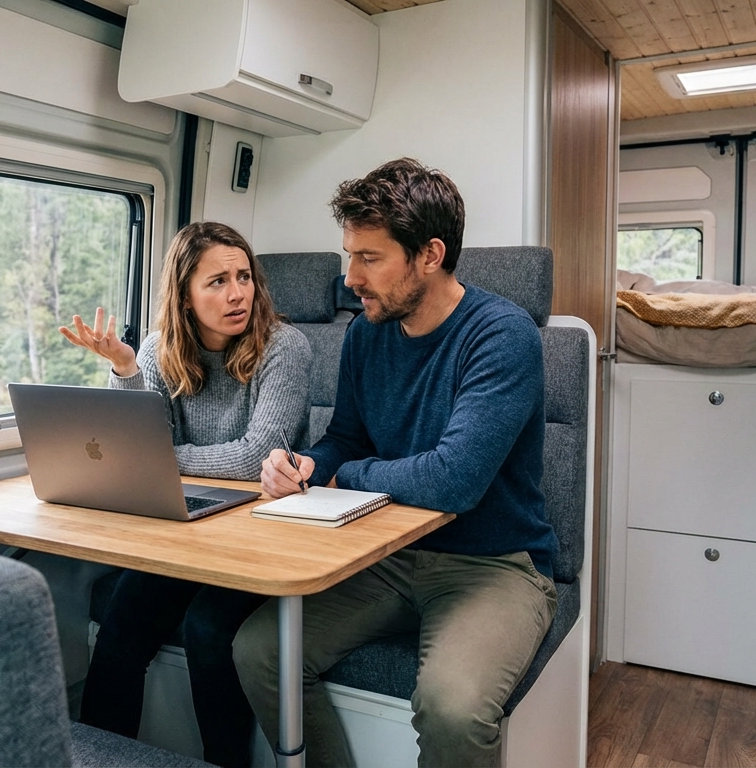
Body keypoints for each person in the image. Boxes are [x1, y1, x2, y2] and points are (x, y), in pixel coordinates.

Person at [232, 159, 559, 768]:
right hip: (385, 554)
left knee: (453, 709)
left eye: (370, 258)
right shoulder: (365, 334)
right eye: (349, 255)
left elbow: (451, 482)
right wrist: (308, 463)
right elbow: (347, 440)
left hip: (493, 565)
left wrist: (343, 474)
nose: (351, 278)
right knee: (258, 651)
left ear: (430, 255)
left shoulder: (503, 336)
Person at [60, 220, 312, 768]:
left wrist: (161, 459)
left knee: (207, 628)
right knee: (121, 626)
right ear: (184, 294)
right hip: (188, 533)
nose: (238, 292)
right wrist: (124, 369)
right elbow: (131, 451)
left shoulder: (284, 347)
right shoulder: (156, 350)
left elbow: (254, 458)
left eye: (243, 276)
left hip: (263, 539)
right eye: (217, 281)